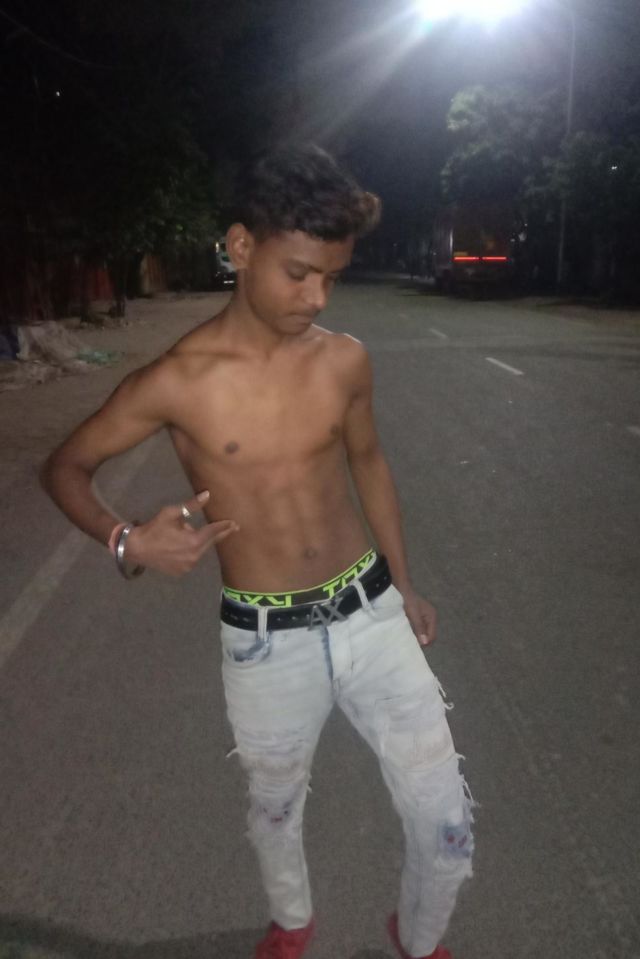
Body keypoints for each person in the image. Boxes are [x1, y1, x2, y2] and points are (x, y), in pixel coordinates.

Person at [41, 144, 474, 959]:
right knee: (275, 805)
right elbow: (64, 465)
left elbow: (369, 464)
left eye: (332, 278)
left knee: (445, 820)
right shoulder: (178, 381)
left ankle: (419, 939)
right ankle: (292, 919)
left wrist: (405, 583)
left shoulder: (343, 359)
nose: (316, 297)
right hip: (265, 640)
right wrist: (128, 538)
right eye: (299, 273)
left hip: (371, 612)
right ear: (241, 247)